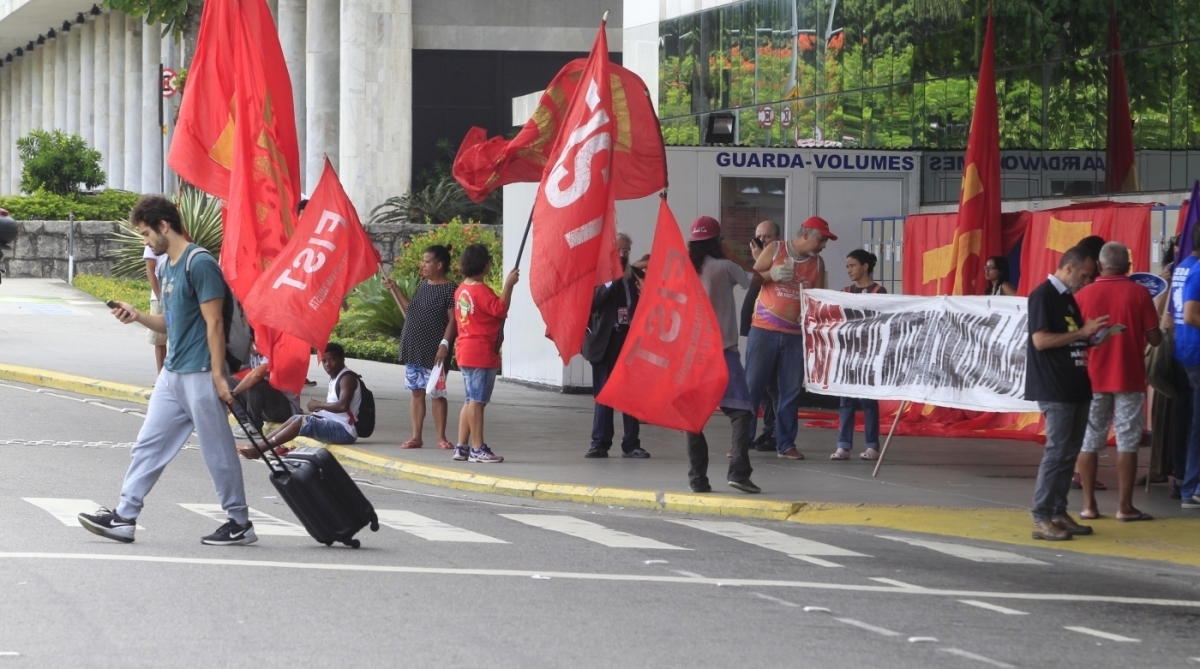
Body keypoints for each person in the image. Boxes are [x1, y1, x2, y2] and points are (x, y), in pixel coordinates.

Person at [78, 195, 255, 546]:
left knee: (217, 451)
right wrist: (137, 315)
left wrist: (219, 375)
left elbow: (214, 323)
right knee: (147, 445)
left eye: (146, 234)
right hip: (173, 375)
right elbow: (171, 323)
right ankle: (124, 517)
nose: (145, 242)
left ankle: (239, 522)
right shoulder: (167, 265)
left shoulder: (199, 262)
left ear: (164, 226)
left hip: (201, 373)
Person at [1074, 242, 1161, 521]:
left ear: (1099, 266)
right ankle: (1124, 507)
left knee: (1089, 439)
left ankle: (1089, 506)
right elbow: (1154, 339)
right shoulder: (1139, 293)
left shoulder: (1083, 295)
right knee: (1127, 441)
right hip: (1129, 377)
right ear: (1129, 267)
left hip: (1092, 378)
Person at [1025, 245, 1108, 541]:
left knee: (1069, 452)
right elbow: (1041, 341)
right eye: (1084, 275)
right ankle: (1042, 516)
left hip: (1075, 384)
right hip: (1054, 385)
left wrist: (1093, 338)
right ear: (1069, 267)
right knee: (1057, 451)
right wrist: (1082, 333)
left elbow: (1071, 338)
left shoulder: (1068, 299)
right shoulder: (1043, 295)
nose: (1086, 282)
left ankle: (1058, 511)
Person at [745, 216, 835, 460]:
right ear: (805, 234)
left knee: (790, 391)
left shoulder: (818, 263)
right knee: (753, 386)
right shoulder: (776, 249)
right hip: (765, 329)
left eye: (825, 241)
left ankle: (785, 444)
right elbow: (751, 278)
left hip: (796, 334)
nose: (823, 244)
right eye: (821, 239)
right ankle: (741, 440)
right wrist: (772, 273)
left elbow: (816, 298)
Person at [684, 216, 761, 494]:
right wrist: (734, 256)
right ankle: (738, 473)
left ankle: (697, 479)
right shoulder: (725, 267)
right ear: (718, 242)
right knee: (741, 413)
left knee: (694, 419)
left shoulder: (684, 270)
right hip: (723, 353)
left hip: (694, 357)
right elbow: (757, 279)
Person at [384, 244, 458, 450]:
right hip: (414, 347)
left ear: (439, 264)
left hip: (435, 351)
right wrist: (396, 290)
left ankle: (441, 438)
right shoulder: (424, 285)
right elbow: (410, 310)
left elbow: (454, 320)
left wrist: (445, 344)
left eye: (427, 262)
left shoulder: (450, 288)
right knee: (416, 392)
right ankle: (416, 436)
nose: (423, 265)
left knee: (436, 393)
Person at [582, 232, 648, 459]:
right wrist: (610, 281)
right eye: (619, 250)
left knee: (630, 393)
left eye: (626, 251)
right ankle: (599, 442)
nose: (623, 255)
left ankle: (631, 443)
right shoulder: (599, 274)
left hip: (628, 339)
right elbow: (590, 303)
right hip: (605, 341)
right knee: (603, 393)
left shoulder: (635, 276)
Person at [452, 243, 520, 464]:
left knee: (470, 399)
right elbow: (500, 309)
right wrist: (508, 285)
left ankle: (462, 447)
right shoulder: (481, 290)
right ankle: (477, 448)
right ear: (484, 265)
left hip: (465, 349)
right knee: (478, 402)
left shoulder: (461, 289)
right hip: (481, 352)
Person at [239, 343, 362, 458]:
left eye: (332, 359)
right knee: (295, 418)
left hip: (344, 430)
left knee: (303, 421)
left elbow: (343, 406)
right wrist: (321, 408)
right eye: (324, 361)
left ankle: (260, 450)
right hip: (335, 423)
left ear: (342, 359)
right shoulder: (336, 378)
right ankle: (257, 445)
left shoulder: (347, 378)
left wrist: (319, 404)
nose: (327, 364)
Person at [831, 249, 886, 461]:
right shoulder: (845, 291)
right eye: (847, 266)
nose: (849, 270)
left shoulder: (879, 292)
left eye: (853, 265)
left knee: (868, 400)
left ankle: (872, 445)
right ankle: (843, 445)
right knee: (846, 400)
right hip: (848, 353)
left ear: (865, 266)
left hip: (869, 354)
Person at [740, 220, 781, 453]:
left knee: (772, 386)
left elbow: (765, 278)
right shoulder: (762, 260)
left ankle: (774, 433)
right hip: (755, 326)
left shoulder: (778, 259)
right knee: (759, 386)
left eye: (766, 237)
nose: (761, 241)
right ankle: (762, 432)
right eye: (758, 236)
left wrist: (759, 259)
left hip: (772, 329)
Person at [229, 334, 301, 435]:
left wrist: (233, 394)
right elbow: (234, 369)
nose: (252, 346)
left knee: (256, 384)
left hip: (285, 409)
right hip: (266, 407)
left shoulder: (273, 354)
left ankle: (255, 428)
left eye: (255, 342)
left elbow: (257, 375)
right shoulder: (254, 355)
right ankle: (244, 423)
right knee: (230, 380)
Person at [143, 245, 168, 373]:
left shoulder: (175, 238)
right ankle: (161, 375)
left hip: (177, 295)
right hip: (159, 296)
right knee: (159, 339)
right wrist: (160, 298)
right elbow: (150, 272)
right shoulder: (151, 243)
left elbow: (191, 244)